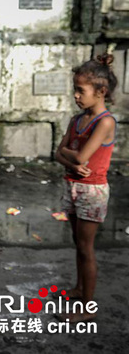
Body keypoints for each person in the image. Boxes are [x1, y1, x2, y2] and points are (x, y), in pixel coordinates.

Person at [55, 54, 117, 323]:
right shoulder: (76, 120)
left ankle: (86, 308)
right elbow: (57, 153)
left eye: (81, 91)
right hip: (73, 187)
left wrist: (68, 153)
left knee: (85, 248)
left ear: (101, 92)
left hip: (92, 191)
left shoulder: (105, 122)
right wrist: (67, 154)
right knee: (77, 244)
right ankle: (80, 289)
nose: (76, 96)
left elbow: (79, 158)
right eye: (75, 90)